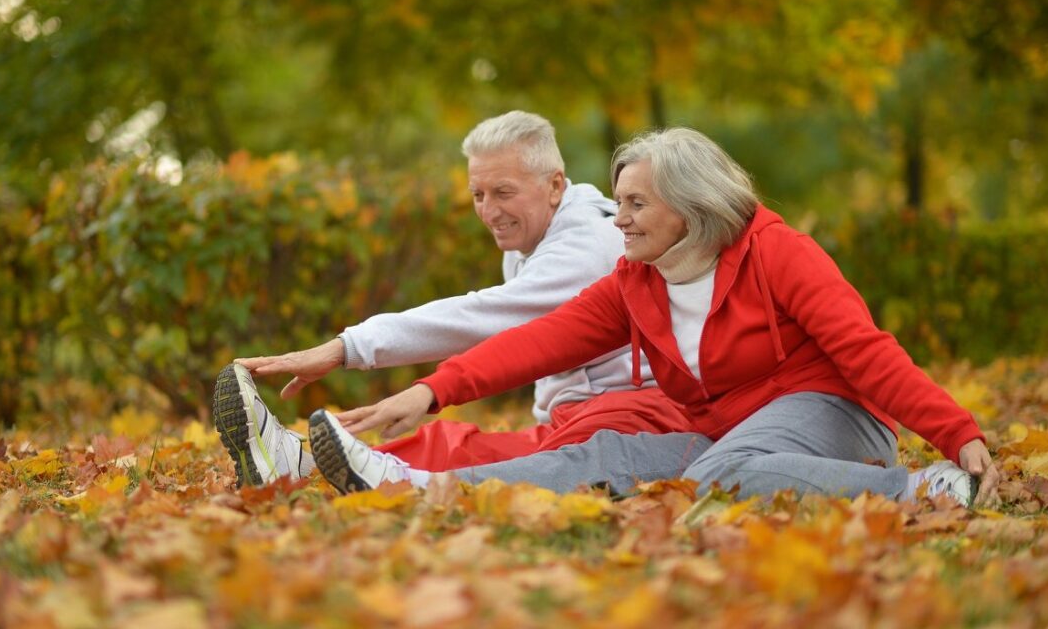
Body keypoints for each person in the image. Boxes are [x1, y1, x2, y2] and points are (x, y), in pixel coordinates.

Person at [307, 126, 1001, 506]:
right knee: (612, 455)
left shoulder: (778, 254)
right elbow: (538, 342)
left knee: (721, 481)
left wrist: (955, 434)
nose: (621, 219)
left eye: (636, 204)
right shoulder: (635, 282)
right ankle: (424, 487)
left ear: (690, 206)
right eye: (619, 201)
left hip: (833, 416)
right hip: (728, 434)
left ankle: (920, 490)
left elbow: (866, 352)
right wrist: (432, 390)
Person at [212, 111, 693, 487]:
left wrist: (348, 348)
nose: (489, 211)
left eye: (503, 192)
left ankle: (323, 469)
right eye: (478, 194)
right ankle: (302, 463)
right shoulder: (532, 239)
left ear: (554, 185)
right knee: (453, 440)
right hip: (584, 416)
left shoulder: (591, 242)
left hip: (637, 416)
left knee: (514, 458)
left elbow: (483, 316)